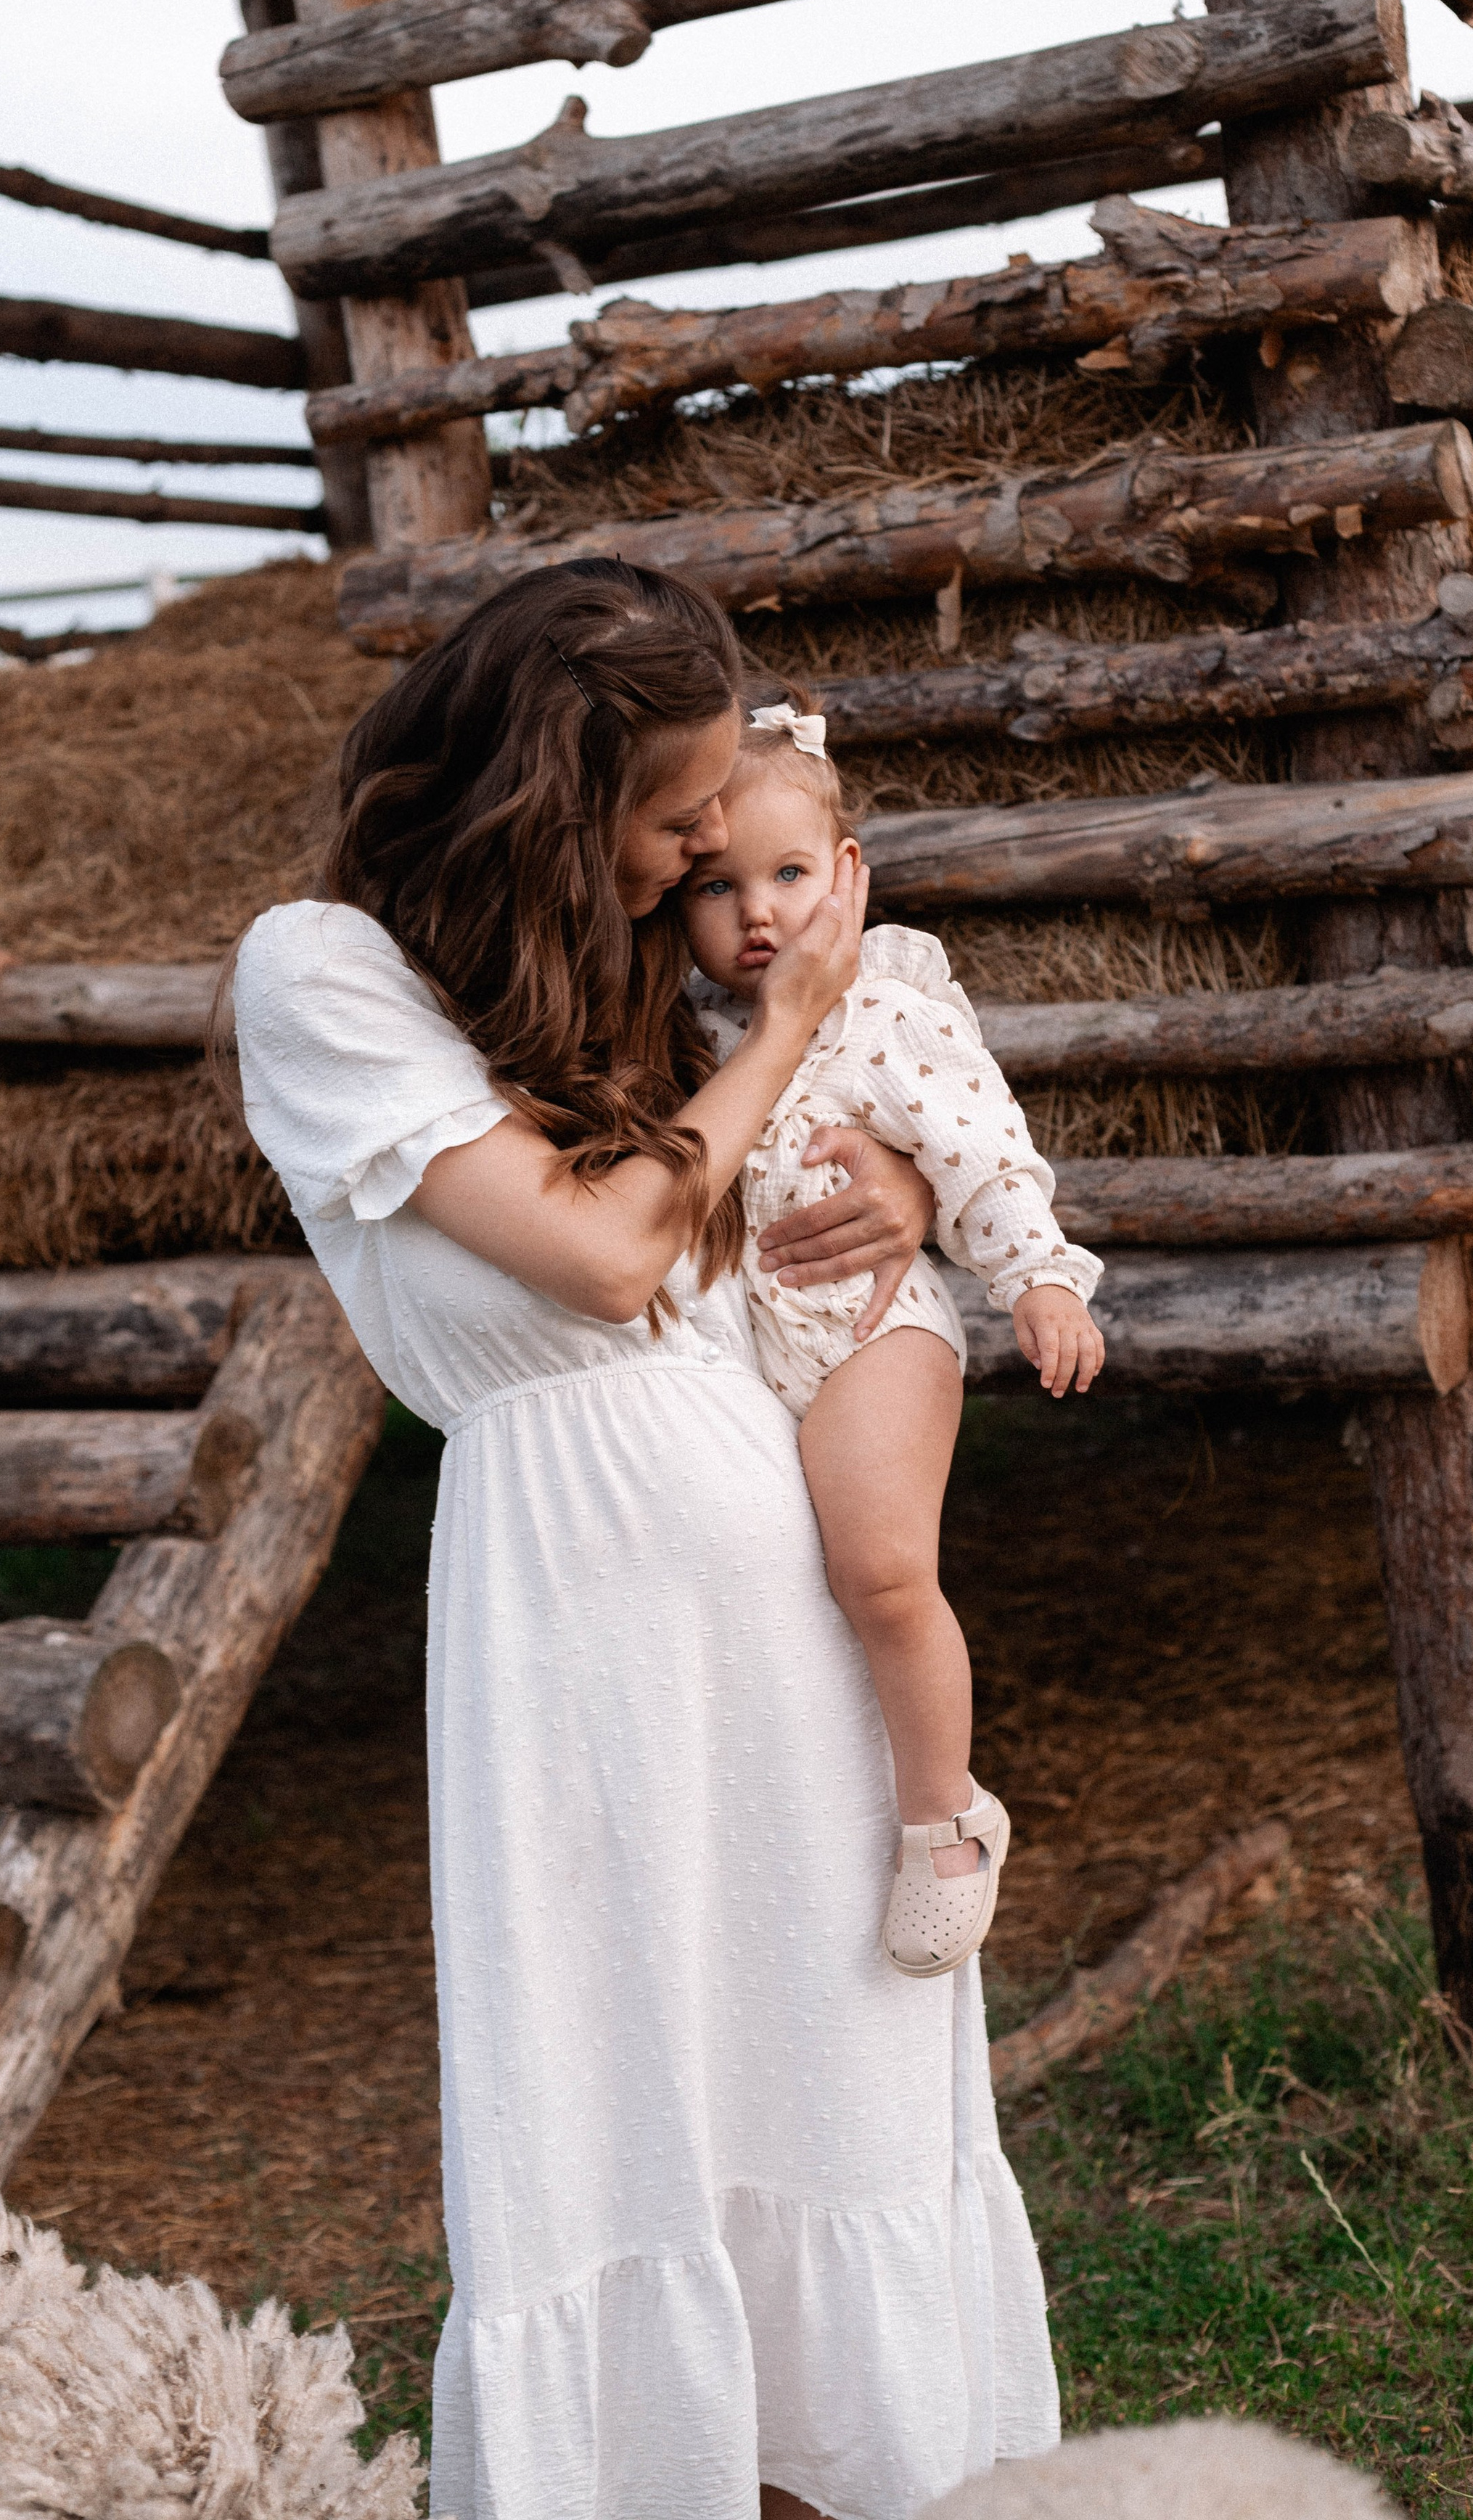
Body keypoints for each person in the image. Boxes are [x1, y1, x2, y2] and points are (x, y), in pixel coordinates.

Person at [228, 558, 1059, 2520]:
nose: (709, 852)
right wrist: (798, 1017)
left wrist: (893, 1199)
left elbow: (742, 1226)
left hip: (781, 1583)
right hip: (575, 1609)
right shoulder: (322, 970)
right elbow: (606, 1261)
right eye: (679, 816)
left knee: (832, 2094)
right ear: (546, 780)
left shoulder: (619, 975)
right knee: (624, 2109)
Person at [678, 699, 1104, 1981]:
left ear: (849, 877)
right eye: (719, 886)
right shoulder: (690, 1034)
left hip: (878, 1334)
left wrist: (1037, 1277)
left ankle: (946, 1819)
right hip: (752, 1353)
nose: (758, 913)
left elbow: (981, 1148)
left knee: (880, 1572)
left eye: (790, 875)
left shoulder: (889, 1012)